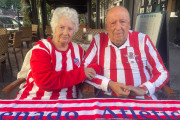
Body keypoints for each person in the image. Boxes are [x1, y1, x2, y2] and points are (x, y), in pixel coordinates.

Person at [82, 6, 169, 100]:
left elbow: (162, 73)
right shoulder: (98, 40)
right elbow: (83, 70)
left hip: (142, 98)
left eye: (122, 22)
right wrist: (109, 84)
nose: (118, 27)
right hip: (107, 98)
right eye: (113, 23)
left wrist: (144, 89)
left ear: (129, 24)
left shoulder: (143, 40)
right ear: (106, 26)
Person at [15, 7, 100, 100]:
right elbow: (45, 81)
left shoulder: (78, 50)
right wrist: (81, 73)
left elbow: (93, 63)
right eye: (61, 27)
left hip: (68, 101)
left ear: (74, 31)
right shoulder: (42, 48)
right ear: (54, 27)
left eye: (70, 29)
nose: (65, 33)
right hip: (35, 99)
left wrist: (93, 69)